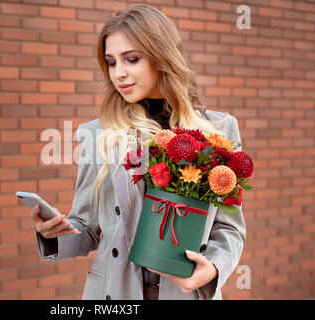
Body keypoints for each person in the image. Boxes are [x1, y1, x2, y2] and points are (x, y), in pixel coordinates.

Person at [30, 4, 246, 300]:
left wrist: (213, 269)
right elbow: (89, 229)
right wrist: (53, 234)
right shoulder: (98, 133)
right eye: (111, 62)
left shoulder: (219, 129)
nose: (119, 73)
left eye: (131, 59)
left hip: (187, 293)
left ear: (161, 57)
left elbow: (229, 228)